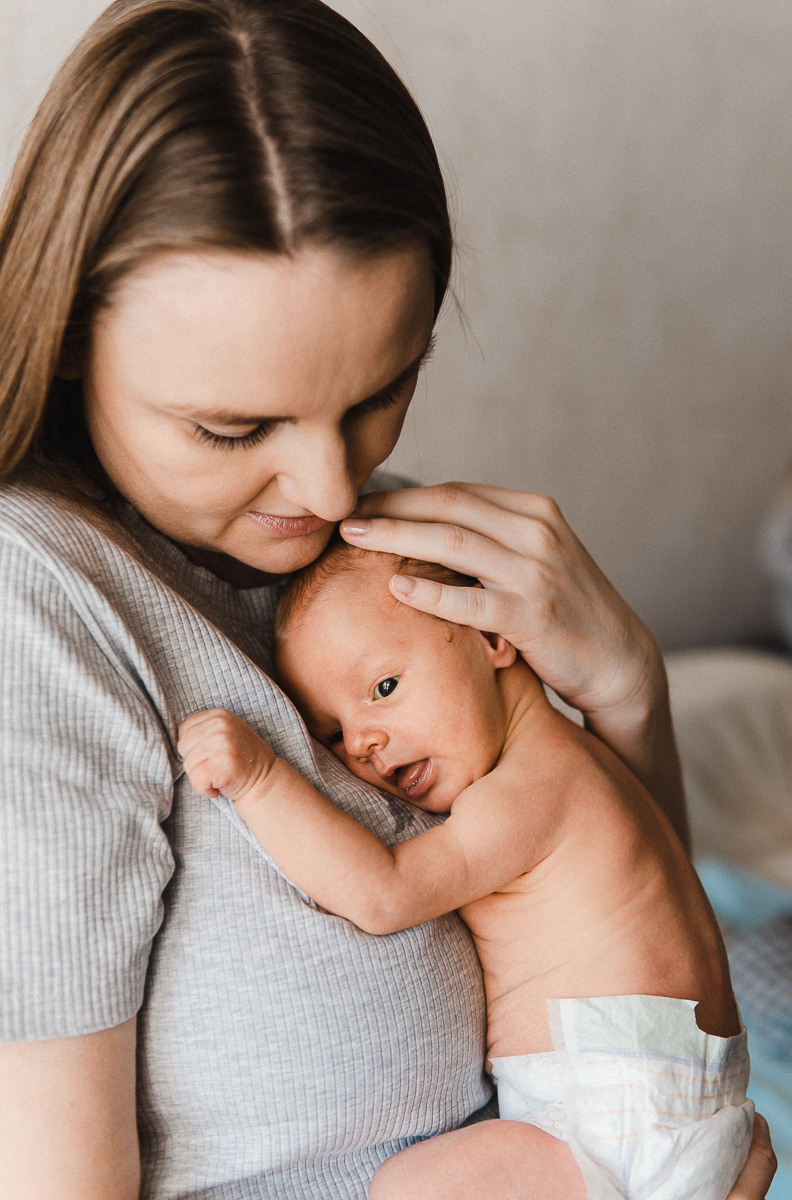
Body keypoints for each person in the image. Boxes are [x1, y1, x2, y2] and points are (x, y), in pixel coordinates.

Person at [0, 0, 775, 1197]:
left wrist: (624, 689)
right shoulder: (41, 610)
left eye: (377, 393)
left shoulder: (386, 540)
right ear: (62, 340)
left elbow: (633, 952)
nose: (326, 488)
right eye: (232, 428)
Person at [179, 540, 754, 1200]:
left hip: (619, 1124)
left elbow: (383, 892)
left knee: (411, 1187)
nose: (362, 742)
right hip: (666, 1110)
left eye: (383, 687)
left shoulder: (530, 788)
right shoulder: (585, 763)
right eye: (333, 732)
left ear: (492, 638)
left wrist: (258, 779)